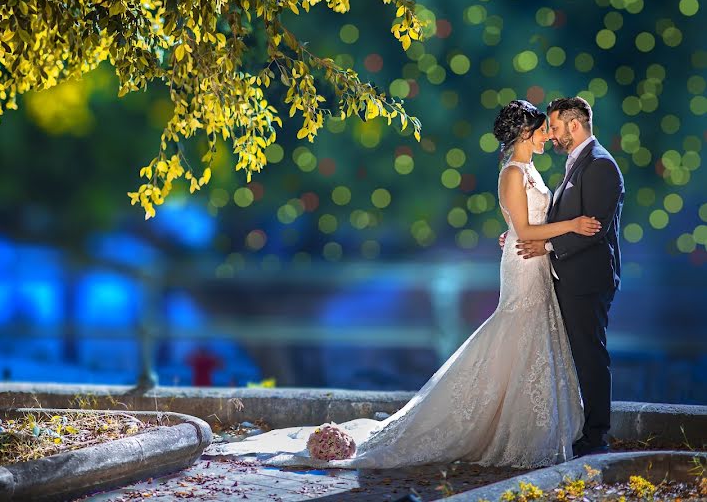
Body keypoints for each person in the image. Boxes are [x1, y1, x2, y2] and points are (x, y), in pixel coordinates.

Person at [210, 100, 598, 469]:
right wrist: (570, 226)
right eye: (543, 129)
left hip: (534, 258)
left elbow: (522, 222)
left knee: (530, 334)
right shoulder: (513, 172)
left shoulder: (530, 171)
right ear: (525, 132)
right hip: (524, 263)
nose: (549, 135)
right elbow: (526, 227)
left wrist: (515, 232)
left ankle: (529, 424)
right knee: (515, 328)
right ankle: (489, 424)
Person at [511, 96, 623, 457]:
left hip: (587, 279)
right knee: (574, 354)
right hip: (566, 277)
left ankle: (596, 436)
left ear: (574, 126)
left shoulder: (601, 166)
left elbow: (595, 229)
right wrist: (518, 234)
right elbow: (558, 218)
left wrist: (546, 248)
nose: (552, 135)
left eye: (556, 128)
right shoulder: (578, 164)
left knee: (590, 355)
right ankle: (582, 429)